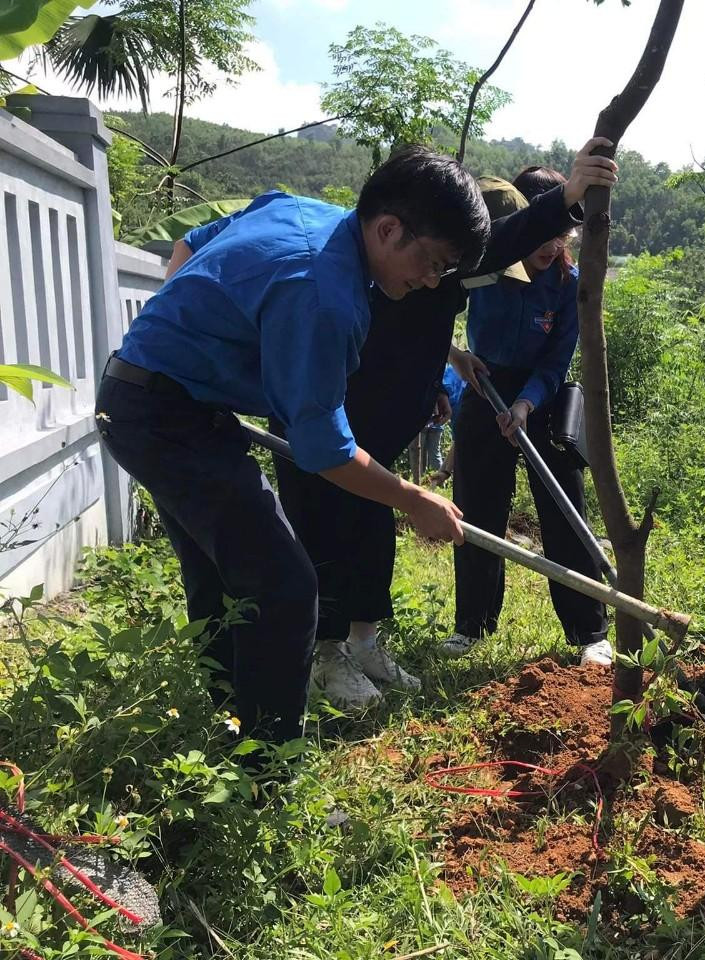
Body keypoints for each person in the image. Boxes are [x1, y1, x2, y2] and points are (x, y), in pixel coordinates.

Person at [94, 148, 486, 743]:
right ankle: (268, 770)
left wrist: (176, 335)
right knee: (284, 584)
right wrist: (412, 498)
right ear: (388, 229)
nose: (431, 280)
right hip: (163, 416)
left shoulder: (303, 212)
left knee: (224, 578)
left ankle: (228, 731)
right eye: (431, 263)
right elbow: (322, 448)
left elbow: (197, 241)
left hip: (153, 396)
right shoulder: (326, 296)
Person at [269, 140, 618, 708]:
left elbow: (461, 308)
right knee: (328, 526)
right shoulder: (350, 276)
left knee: (372, 526)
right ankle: (327, 650)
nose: (437, 278)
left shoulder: (448, 268)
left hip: (424, 420)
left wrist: (455, 369)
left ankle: (363, 641)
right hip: (337, 420)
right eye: (436, 263)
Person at [441, 166, 611, 666]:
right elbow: (430, 311)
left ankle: (589, 632)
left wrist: (526, 402)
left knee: (565, 512)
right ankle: (471, 625)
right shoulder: (484, 264)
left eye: (562, 234)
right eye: (543, 231)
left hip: (544, 397)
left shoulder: (569, 283)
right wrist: (455, 357)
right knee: (477, 508)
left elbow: (557, 357)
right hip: (483, 385)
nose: (552, 244)